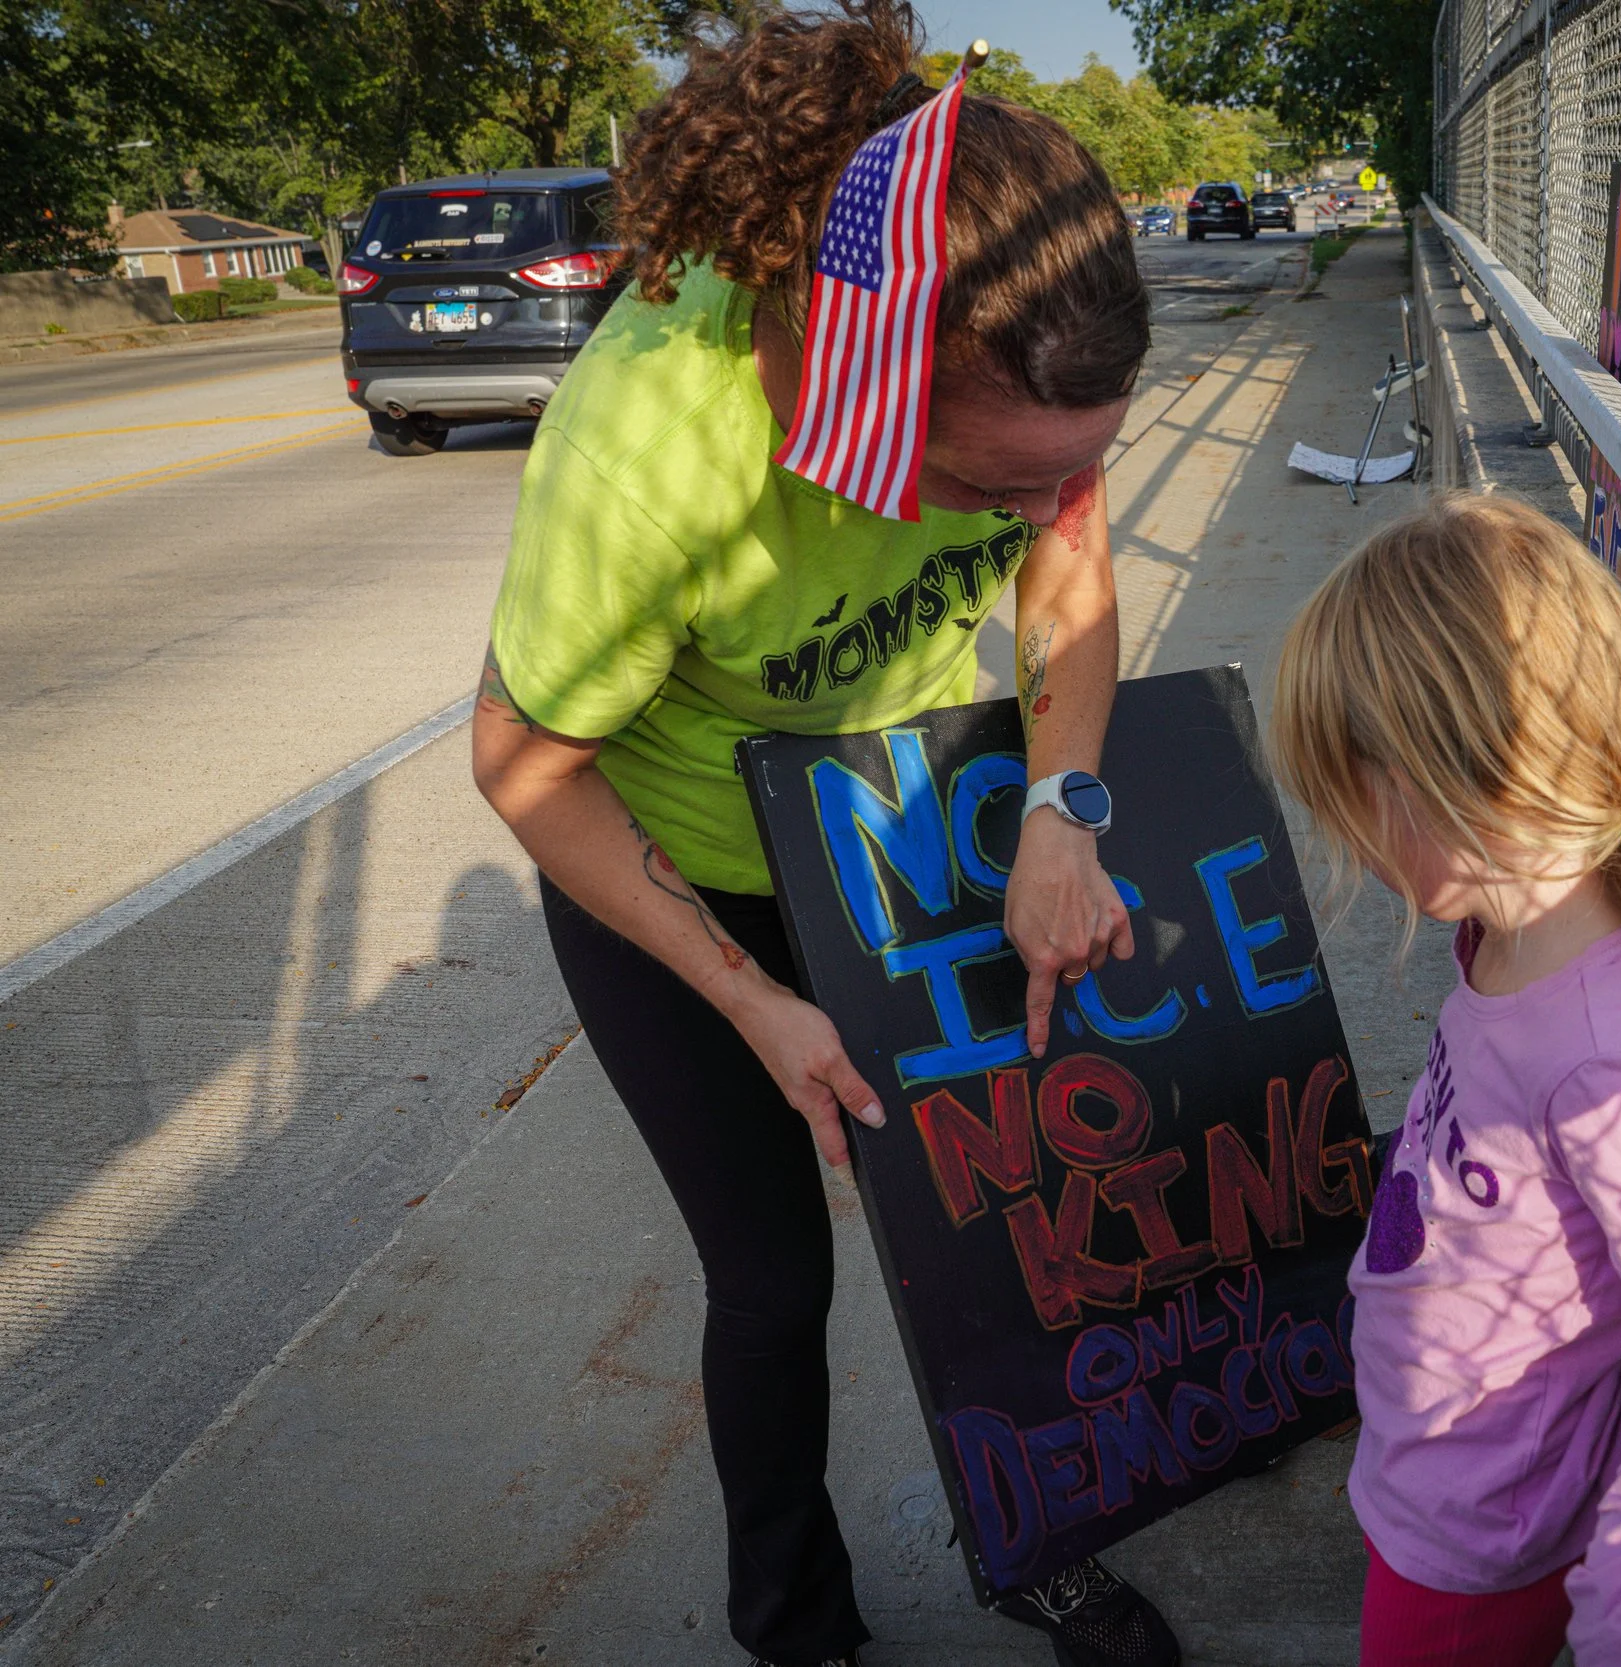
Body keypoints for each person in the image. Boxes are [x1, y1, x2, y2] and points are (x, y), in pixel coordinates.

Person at [469, 6, 1180, 1666]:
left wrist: (1064, 809)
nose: (1033, 516)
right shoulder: (653, 452)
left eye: (1067, 474)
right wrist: (751, 1000)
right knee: (775, 1282)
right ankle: (799, 1623)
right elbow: (525, 770)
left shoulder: (1027, 367)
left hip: (906, 823)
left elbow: (1070, 587)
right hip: (676, 867)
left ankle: (1046, 1522)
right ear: (861, 388)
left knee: (1007, 1210)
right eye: (988, 488)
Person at [1270, 495, 1621, 1667]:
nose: (1346, 841)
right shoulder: (1509, 936)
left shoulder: (1611, 1051)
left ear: (1454, 775)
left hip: (1472, 1539)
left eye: (1346, 799)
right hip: (1441, 1464)